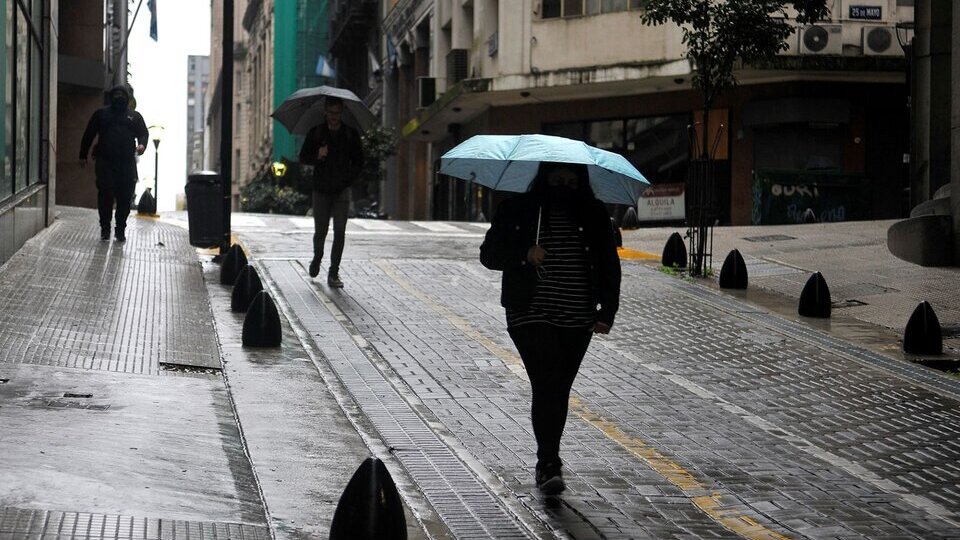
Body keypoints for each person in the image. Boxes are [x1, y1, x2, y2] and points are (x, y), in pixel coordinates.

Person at [480, 161, 621, 496]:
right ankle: (548, 463)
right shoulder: (517, 208)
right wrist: (524, 253)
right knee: (546, 382)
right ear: (543, 179)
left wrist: (607, 310)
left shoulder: (594, 214)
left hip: (577, 315)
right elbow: (489, 254)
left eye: (571, 181)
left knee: (558, 388)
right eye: (556, 180)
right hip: (529, 311)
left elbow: (608, 264)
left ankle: (549, 459)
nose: (563, 187)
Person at [298, 96, 364, 288]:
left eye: (337, 113)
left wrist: (348, 179)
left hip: (341, 190)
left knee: (340, 232)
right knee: (321, 231)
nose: (334, 117)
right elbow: (303, 158)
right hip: (321, 190)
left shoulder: (350, 135)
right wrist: (318, 156)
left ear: (341, 112)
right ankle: (317, 257)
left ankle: (333, 272)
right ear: (325, 112)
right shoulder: (316, 133)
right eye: (331, 113)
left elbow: (359, 162)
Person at [79, 85, 149, 242]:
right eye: (116, 94)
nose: (119, 97)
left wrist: (142, 145)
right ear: (111, 97)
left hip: (127, 165)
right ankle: (105, 228)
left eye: (122, 95)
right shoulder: (101, 114)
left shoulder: (134, 116)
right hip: (105, 163)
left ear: (127, 99)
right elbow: (89, 134)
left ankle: (120, 229)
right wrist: (82, 155)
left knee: (125, 198)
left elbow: (143, 133)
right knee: (105, 197)